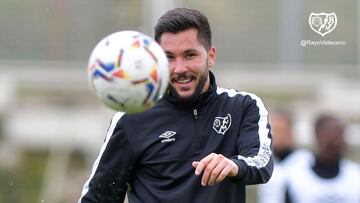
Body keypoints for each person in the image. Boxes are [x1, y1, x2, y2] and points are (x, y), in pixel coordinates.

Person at [78, 8, 273, 203]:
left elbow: (262, 162)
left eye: (189, 55)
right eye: (169, 57)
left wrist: (234, 165)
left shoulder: (242, 106)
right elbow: (97, 197)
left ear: (211, 56)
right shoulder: (132, 118)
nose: (179, 69)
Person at [286, 114, 360, 203]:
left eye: (340, 134)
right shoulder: (294, 177)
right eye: (330, 134)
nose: (336, 140)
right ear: (317, 135)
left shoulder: (356, 175)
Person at [257, 111, 311, 203]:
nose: (274, 135)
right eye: (271, 130)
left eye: (280, 130)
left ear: (291, 132)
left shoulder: (306, 162)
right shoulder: (265, 163)